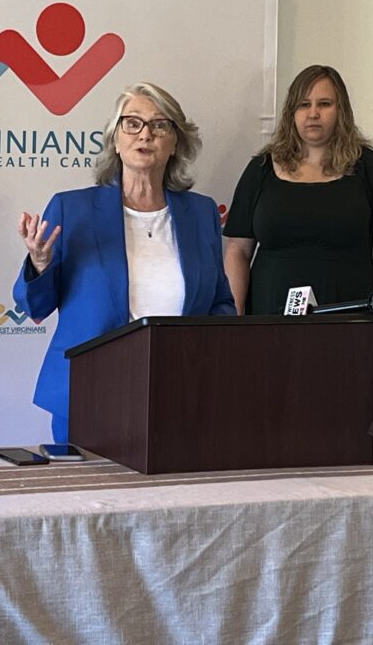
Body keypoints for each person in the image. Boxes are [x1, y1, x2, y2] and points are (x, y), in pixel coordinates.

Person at [14, 82, 236, 442]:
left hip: (179, 394)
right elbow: (34, 307)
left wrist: (208, 356)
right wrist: (40, 264)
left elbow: (219, 302)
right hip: (90, 392)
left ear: (175, 142)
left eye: (159, 125)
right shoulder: (73, 209)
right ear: (115, 140)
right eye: (131, 123)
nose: (145, 134)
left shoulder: (202, 212)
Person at [223, 65, 373, 315]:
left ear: (340, 110)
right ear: (291, 112)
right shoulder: (261, 169)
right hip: (268, 321)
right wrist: (232, 318)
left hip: (348, 321)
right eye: (303, 104)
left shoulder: (367, 166)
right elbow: (237, 250)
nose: (313, 113)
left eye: (324, 104)